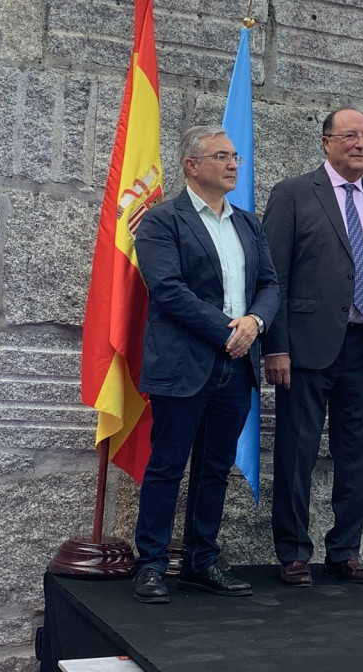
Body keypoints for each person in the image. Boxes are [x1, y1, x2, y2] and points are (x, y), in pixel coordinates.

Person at [132, 125, 280, 604]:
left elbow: (271, 285)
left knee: (215, 467)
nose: (234, 163)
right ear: (191, 166)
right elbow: (168, 289)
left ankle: (201, 561)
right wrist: (228, 332)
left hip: (237, 367)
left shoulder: (248, 224)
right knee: (167, 467)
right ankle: (151, 565)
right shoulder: (161, 221)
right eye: (221, 156)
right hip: (185, 363)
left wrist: (254, 322)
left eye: (235, 155)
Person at [262, 107, 363, 588]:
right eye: (349, 136)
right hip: (304, 347)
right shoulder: (294, 194)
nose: (360, 143)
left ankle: (345, 550)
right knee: (296, 452)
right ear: (325, 142)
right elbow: (271, 276)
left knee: (357, 454)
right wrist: (273, 346)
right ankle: (293, 552)